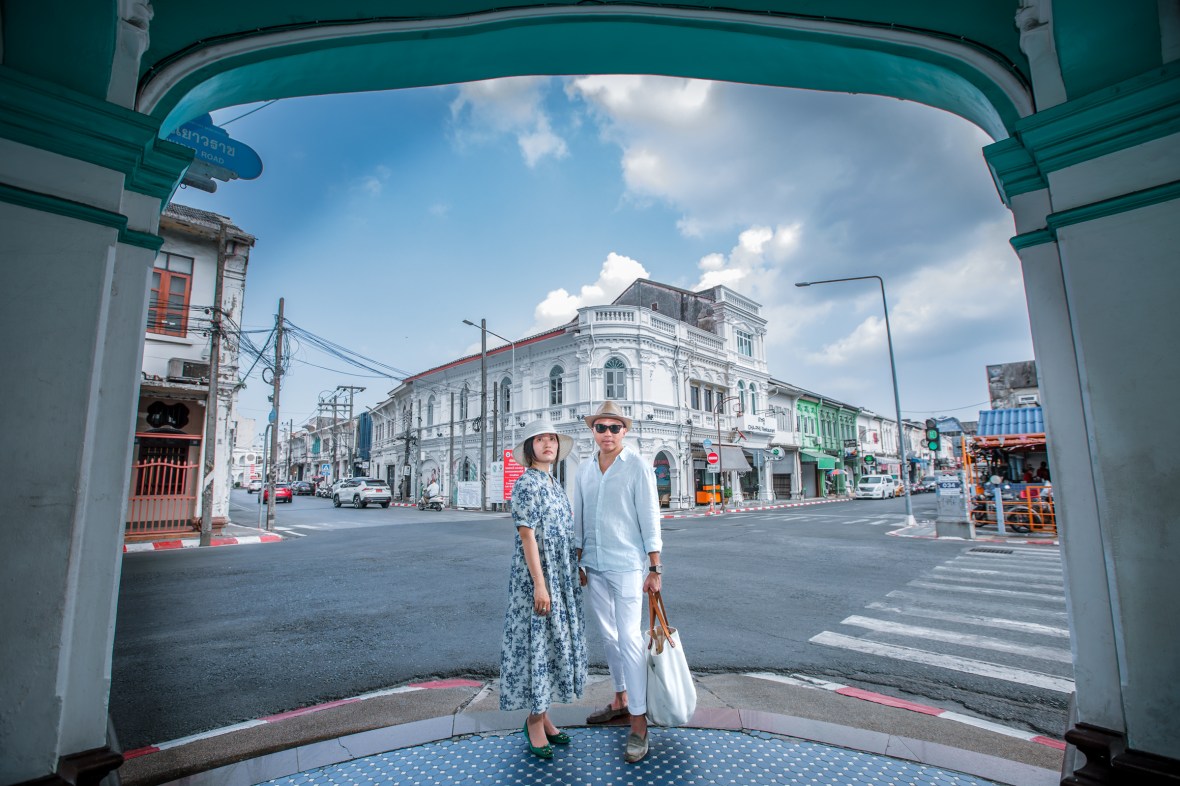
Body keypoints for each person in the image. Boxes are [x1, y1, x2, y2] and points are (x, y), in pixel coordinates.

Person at [574, 400, 663, 764]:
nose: (607, 433)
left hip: (627, 566)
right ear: (593, 431)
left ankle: (639, 722)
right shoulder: (584, 469)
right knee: (609, 638)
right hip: (593, 566)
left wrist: (655, 567)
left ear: (624, 431)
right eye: (601, 427)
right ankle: (621, 699)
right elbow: (579, 516)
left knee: (629, 639)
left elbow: (649, 515)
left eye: (614, 427)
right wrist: (578, 558)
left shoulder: (637, 466)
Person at [499, 418, 586, 760]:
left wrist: (573, 568)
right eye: (540, 439)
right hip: (538, 579)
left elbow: (562, 533)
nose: (548, 444)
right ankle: (534, 721)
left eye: (552, 438)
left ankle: (545, 716)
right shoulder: (527, 484)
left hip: (559, 577)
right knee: (537, 644)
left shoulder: (553, 482)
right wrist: (540, 584)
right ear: (530, 447)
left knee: (552, 644)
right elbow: (528, 537)